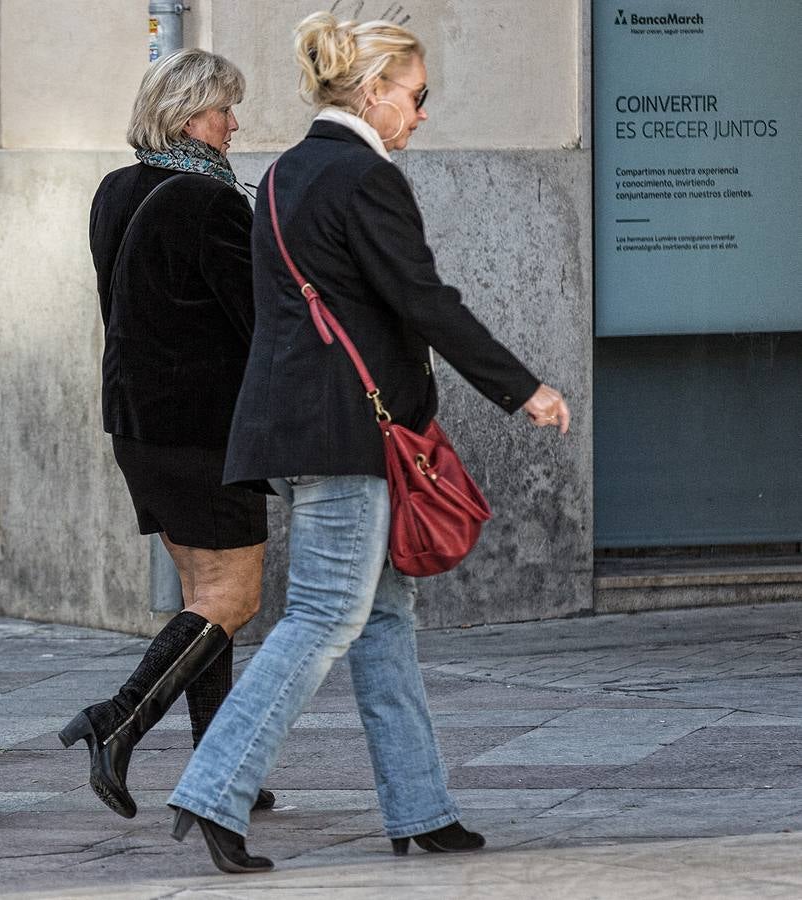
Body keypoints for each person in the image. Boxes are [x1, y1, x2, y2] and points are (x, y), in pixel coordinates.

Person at [165, 12, 571, 873]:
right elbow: (424, 300)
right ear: (377, 90)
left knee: (382, 619)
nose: (423, 113)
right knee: (322, 616)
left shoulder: (282, 174)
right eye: (418, 96)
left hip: (303, 425)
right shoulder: (363, 177)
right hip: (351, 432)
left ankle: (420, 807)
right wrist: (522, 387)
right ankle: (213, 790)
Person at [63, 48, 274, 819]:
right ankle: (116, 723)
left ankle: (222, 769)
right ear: (190, 117)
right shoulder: (213, 202)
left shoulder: (114, 190)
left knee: (202, 597)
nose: (234, 124)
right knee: (235, 596)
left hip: (138, 426)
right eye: (225, 110)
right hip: (204, 432)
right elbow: (259, 328)